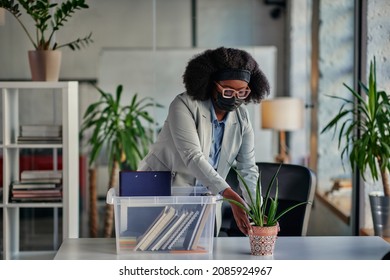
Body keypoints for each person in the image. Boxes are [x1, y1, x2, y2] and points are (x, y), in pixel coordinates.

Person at [138, 47, 270, 236]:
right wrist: (232, 197)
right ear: (211, 84)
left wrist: (257, 212)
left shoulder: (242, 117)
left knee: (204, 255)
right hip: (164, 191)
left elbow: (247, 168)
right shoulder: (183, 105)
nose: (234, 98)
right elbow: (193, 157)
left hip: (207, 199)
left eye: (242, 92)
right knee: (158, 253)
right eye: (228, 91)